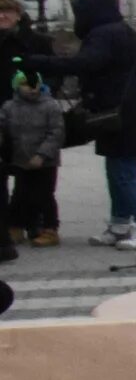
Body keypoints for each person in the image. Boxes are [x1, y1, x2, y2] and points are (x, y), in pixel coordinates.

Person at [38, 0, 136, 248]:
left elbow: (87, 63)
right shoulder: (120, 31)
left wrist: (43, 63)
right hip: (129, 111)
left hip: (122, 112)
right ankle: (119, 224)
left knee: (125, 172)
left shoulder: (104, 34)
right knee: (117, 169)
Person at [3, 57, 59, 248]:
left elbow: (56, 133)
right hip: (20, 158)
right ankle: (16, 226)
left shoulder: (50, 106)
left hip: (45, 161)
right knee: (20, 194)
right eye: (26, 85)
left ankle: (50, 229)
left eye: (35, 84)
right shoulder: (9, 107)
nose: (31, 88)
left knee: (44, 194)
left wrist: (42, 155)